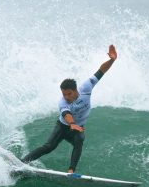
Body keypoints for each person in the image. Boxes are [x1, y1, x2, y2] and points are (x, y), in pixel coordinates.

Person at [21, 45, 117, 173]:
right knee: (49, 147)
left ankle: (71, 170)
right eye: (63, 94)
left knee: (79, 141)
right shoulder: (62, 102)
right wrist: (72, 123)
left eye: (68, 94)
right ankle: (22, 163)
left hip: (77, 127)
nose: (66, 97)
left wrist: (112, 60)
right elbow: (66, 113)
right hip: (63, 126)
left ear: (75, 90)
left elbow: (101, 71)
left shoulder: (86, 88)